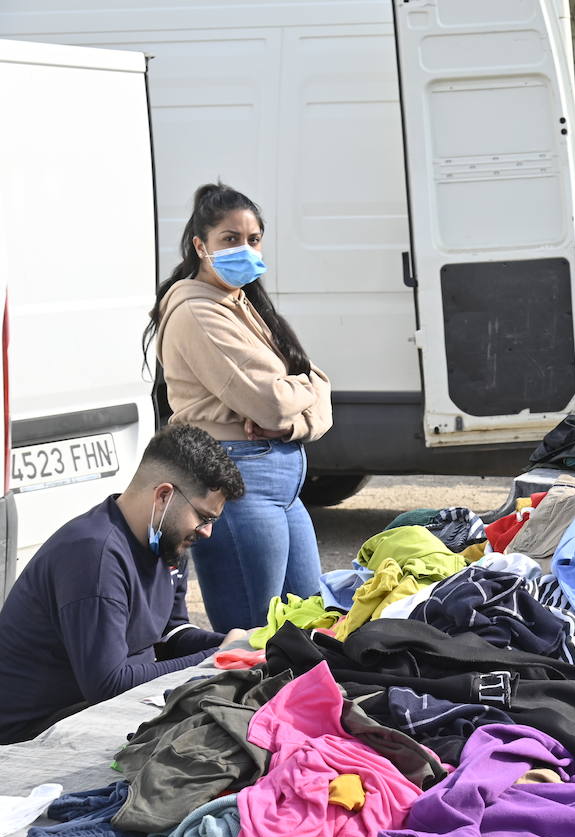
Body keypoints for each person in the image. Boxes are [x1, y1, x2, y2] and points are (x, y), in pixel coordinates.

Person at [148, 183, 333, 632]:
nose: (245, 249)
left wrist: (295, 418)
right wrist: (302, 392)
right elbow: (270, 402)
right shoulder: (197, 310)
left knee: (311, 626)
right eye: (230, 239)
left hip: (281, 490)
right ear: (200, 246)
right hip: (238, 484)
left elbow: (321, 392)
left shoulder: (242, 304)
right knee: (256, 638)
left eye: (253, 239)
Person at [0, 425, 248, 744]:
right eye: (203, 517)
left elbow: (170, 634)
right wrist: (216, 656)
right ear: (163, 495)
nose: (206, 532)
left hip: (90, 709)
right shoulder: (94, 556)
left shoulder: (167, 542)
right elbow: (108, 685)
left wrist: (238, 644)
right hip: (32, 734)